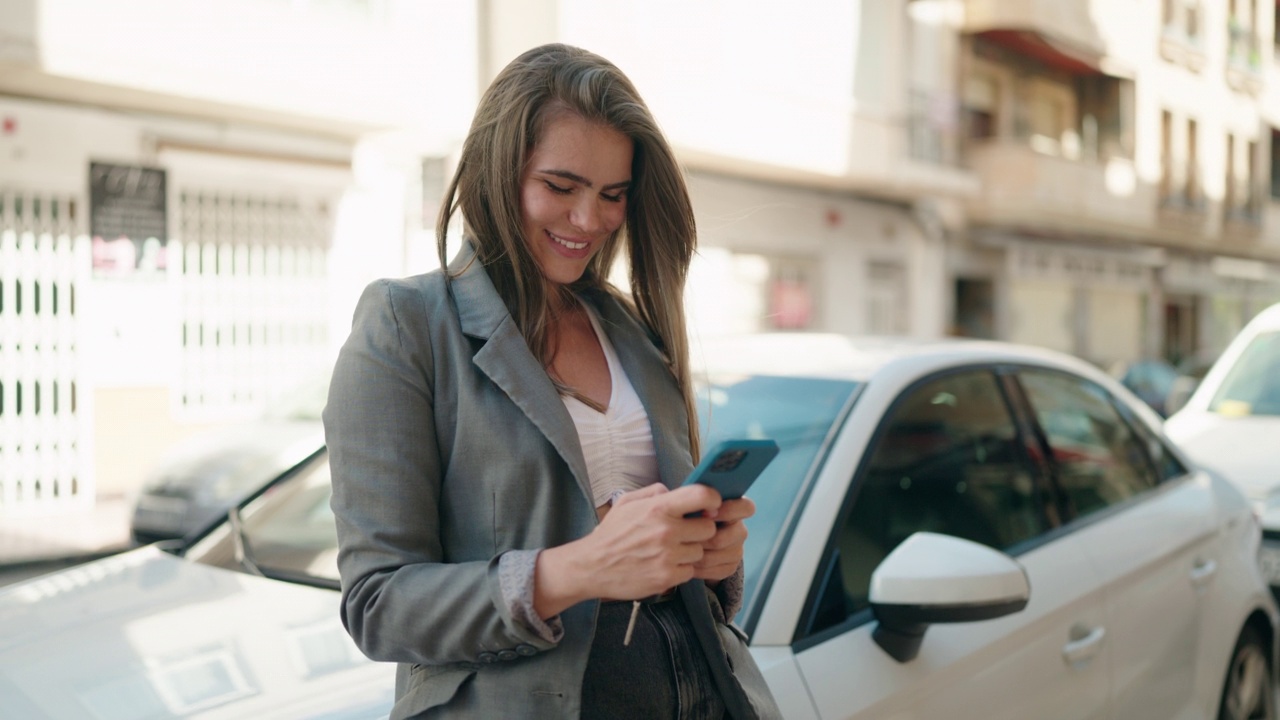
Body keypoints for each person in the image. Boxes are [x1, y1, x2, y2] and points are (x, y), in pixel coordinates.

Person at [324, 43, 783, 719]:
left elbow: (672, 564)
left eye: (613, 195)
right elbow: (379, 605)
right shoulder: (409, 324)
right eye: (561, 187)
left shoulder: (630, 329)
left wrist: (713, 560)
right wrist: (578, 569)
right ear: (495, 171)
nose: (588, 219)